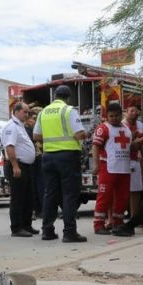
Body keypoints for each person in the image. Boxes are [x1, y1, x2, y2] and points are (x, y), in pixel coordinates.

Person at [33, 85, 88, 242]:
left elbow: (36, 135)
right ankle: (69, 232)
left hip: (48, 156)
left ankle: (47, 230)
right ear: (68, 98)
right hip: (68, 157)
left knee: (50, 193)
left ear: (55, 96)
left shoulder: (43, 112)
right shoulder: (69, 110)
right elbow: (79, 133)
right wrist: (85, 134)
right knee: (69, 194)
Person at [92, 102, 132, 235]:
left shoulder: (127, 129)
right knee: (104, 197)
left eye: (116, 116)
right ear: (106, 116)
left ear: (121, 115)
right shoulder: (103, 128)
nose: (113, 118)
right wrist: (96, 164)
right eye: (111, 116)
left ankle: (118, 224)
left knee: (122, 198)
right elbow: (96, 146)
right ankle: (99, 225)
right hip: (108, 168)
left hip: (124, 169)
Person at [2, 102, 38, 237]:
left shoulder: (21, 126)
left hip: (27, 166)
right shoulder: (11, 127)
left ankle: (26, 225)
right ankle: (16, 228)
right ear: (16, 111)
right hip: (18, 166)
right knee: (18, 198)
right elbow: (10, 147)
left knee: (28, 197)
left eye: (28, 112)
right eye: (25, 112)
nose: (27, 114)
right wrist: (15, 166)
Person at [123, 104, 143, 217]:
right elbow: (122, 145)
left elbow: (141, 141)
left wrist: (142, 150)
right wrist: (134, 142)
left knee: (136, 190)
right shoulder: (122, 126)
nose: (135, 113)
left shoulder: (140, 125)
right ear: (126, 111)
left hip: (135, 160)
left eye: (137, 111)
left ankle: (134, 217)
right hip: (123, 161)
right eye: (132, 110)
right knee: (122, 191)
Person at [25, 107, 44, 219]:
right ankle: (37, 209)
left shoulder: (33, 126)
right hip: (33, 159)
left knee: (40, 185)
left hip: (38, 158)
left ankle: (39, 209)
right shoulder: (27, 127)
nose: (34, 120)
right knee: (35, 185)